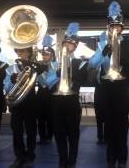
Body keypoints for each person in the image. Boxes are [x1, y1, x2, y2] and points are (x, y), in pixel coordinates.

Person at [88, 1, 129, 168]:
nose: (115, 29)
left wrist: (121, 55)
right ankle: (110, 157)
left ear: (122, 29)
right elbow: (92, 63)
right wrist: (103, 53)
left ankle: (122, 156)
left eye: (118, 26)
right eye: (112, 26)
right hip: (106, 88)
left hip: (122, 87)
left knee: (122, 123)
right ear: (108, 28)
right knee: (109, 124)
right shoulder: (102, 44)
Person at [52, 22, 88, 168]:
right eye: (65, 43)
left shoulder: (80, 63)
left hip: (72, 102)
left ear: (75, 46)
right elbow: (49, 82)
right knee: (59, 133)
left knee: (73, 133)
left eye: (70, 44)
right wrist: (57, 72)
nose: (67, 46)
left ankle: (72, 160)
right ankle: (62, 160)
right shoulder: (55, 63)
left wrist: (68, 70)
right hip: (57, 102)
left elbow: (82, 80)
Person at [4, 45, 45, 168]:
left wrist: (41, 71)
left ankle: (30, 156)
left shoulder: (34, 67)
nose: (20, 53)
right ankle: (19, 156)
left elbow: (44, 83)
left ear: (29, 52)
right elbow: (6, 88)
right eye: (18, 50)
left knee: (31, 131)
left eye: (23, 50)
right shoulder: (11, 68)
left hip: (31, 104)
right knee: (17, 131)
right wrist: (11, 81)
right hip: (16, 104)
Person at [36, 35, 57, 145]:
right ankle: (42, 137)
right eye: (43, 54)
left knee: (50, 117)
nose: (44, 56)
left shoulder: (56, 65)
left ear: (52, 55)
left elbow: (49, 81)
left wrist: (43, 72)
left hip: (51, 93)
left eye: (46, 54)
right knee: (40, 117)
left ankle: (49, 136)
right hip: (40, 93)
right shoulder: (38, 64)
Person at [89, 31, 107, 144]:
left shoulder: (110, 57)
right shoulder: (97, 55)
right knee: (99, 113)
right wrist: (101, 55)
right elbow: (92, 64)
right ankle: (100, 135)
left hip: (108, 86)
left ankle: (108, 134)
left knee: (108, 112)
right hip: (99, 88)